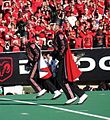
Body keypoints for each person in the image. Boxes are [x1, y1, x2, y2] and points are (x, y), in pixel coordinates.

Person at [52, 23, 88, 104]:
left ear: (57, 26)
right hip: (62, 58)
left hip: (64, 58)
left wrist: (59, 56)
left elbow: (63, 46)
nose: (51, 27)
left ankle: (74, 95)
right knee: (63, 78)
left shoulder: (59, 34)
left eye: (53, 25)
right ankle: (79, 94)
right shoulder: (57, 34)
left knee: (61, 78)